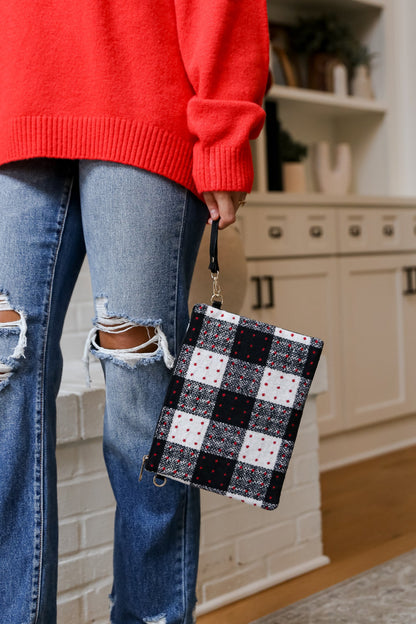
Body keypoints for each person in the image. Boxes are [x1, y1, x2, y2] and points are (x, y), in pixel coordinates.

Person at [0, 1, 270, 622]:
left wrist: (225, 131)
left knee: (141, 379)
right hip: (16, 110)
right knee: (5, 379)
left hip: (143, 107)